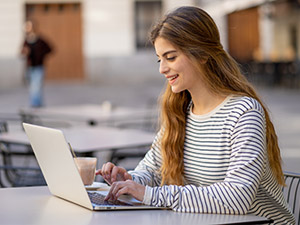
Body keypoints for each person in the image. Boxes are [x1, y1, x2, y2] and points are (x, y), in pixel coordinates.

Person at [96, 6, 295, 224]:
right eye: (159, 59)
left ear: (202, 54)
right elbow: (151, 171)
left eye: (170, 57)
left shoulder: (244, 113)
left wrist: (150, 195)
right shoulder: (180, 113)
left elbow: (238, 198)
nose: (162, 69)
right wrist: (128, 180)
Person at [21, 19, 52, 108]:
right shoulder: (26, 41)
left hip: (38, 66)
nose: (27, 28)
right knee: (32, 87)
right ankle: (38, 103)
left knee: (36, 86)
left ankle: (35, 105)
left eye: (28, 26)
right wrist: (25, 52)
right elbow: (22, 52)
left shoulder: (40, 40)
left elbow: (50, 49)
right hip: (30, 67)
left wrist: (41, 55)